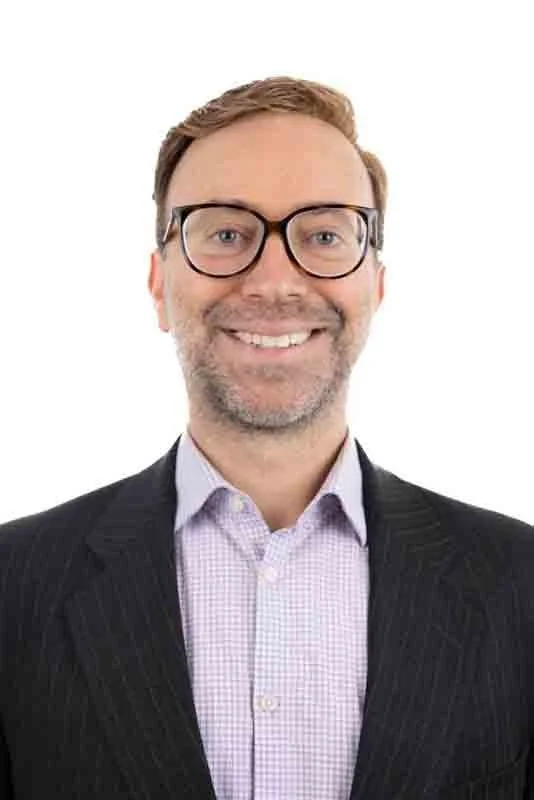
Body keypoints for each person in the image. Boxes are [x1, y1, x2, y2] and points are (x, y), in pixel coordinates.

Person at [1, 75, 533, 800]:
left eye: (324, 235)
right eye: (226, 233)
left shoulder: (519, 586)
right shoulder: (14, 586)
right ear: (159, 285)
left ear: (376, 285)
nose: (274, 279)